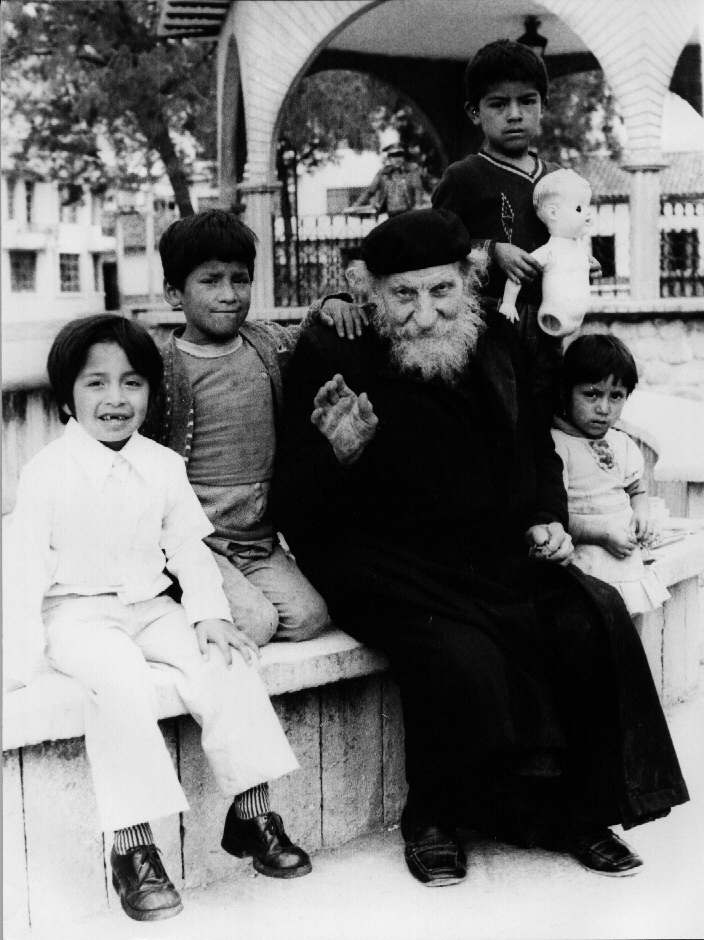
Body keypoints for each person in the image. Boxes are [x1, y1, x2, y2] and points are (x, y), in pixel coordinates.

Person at [272, 210, 688, 887]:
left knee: (588, 619)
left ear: (468, 281)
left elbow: (537, 446)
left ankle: (577, 812)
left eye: (441, 290)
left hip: (494, 549)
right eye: (403, 294)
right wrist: (336, 455)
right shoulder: (336, 349)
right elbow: (291, 497)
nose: (425, 312)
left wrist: (548, 516)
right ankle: (433, 815)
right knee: (456, 652)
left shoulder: (495, 338)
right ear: (371, 292)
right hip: (382, 558)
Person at [3, 315, 312, 923]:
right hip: (77, 615)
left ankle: (252, 814)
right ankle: (133, 849)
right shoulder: (48, 473)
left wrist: (209, 616)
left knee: (225, 662)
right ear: (67, 397)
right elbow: (22, 572)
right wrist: (14, 663)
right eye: (96, 383)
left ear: (151, 392)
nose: (116, 399)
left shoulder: (163, 465)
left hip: (151, 608)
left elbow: (189, 551)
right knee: (120, 684)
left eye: (132, 383)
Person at [144, 210, 364, 647]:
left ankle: (222, 594)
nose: (229, 294)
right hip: (194, 539)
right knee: (257, 623)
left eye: (240, 280)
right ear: (173, 292)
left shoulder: (267, 344)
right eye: (210, 281)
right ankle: (169, 595)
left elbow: (308, 329)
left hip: (256, 539)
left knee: (309, 619)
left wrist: (332, 303)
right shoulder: (161, 368)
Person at [431, 39, 600, 419]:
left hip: (547, 322)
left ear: (544, 107)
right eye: (498, 104)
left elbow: (566, 237)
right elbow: (437, 246)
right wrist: (492, 251)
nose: (514, 114)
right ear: (474, 112)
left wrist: (580, 262)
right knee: (494, 419)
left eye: (527, 101)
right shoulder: (464, 177)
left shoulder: (559, 179)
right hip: (487, 325)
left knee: (543, 414)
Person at [551, 334, 670, 615]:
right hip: (586, 565)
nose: (603, 409)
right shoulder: (558, 445)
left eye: (616, 396)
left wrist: (641, 516)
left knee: (632, 624)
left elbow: (637, 490)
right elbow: (556, 514)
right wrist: (602, 535)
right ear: (566, 392)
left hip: (625, 562)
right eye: (591, 394)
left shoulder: (622, 443)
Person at [347, 142, 427, 218]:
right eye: (393, 156)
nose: (397, 159)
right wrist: (355, 206)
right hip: (390, 214)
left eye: (399, 155)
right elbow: (370, 192)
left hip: (407, 214)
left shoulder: (411, 172)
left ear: (404, 157)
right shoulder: (383, 174)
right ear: (389, 158)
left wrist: (417, 207)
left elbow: (418, 190)